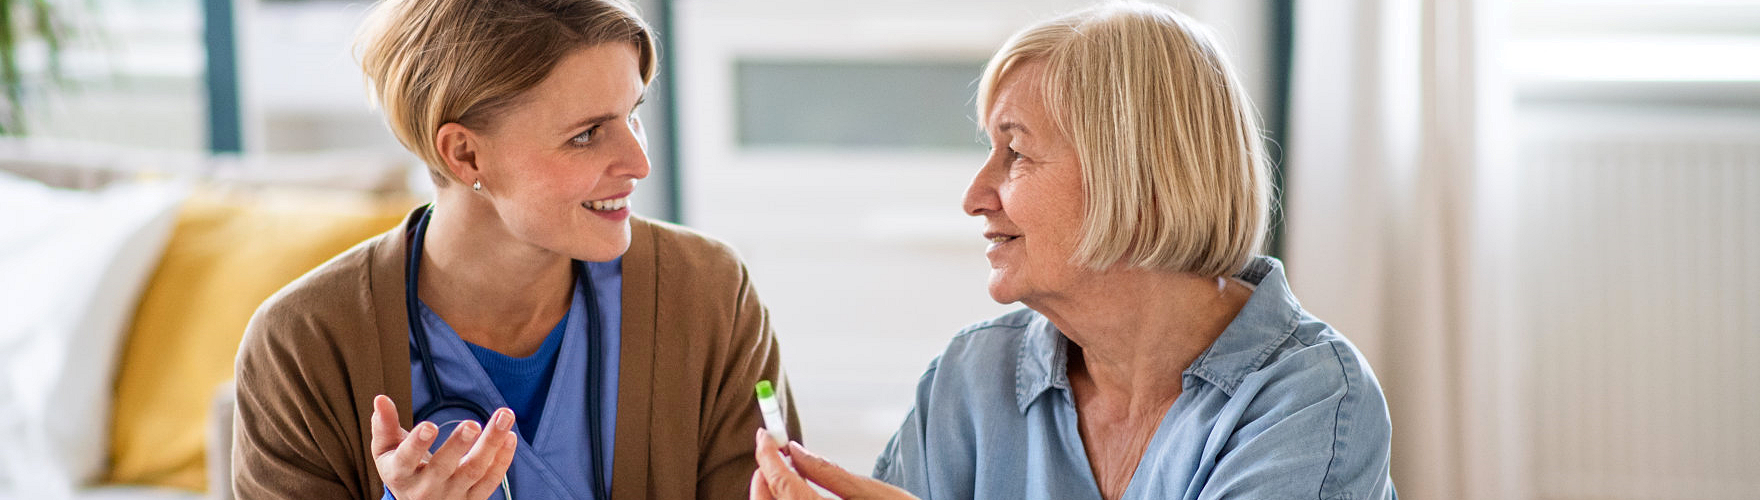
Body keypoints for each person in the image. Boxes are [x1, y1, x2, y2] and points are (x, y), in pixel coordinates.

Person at [748, 2, 1394, 500]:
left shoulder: (1309, 399)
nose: (976, 196)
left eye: (1017, 153)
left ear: (1139, 179)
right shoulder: (973, 379)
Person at [231, 1, 801, 499]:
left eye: (633, 116)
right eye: (587, 134)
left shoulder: (707, 293)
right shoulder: (303, 345)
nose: (639, 165)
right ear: (466, 156)